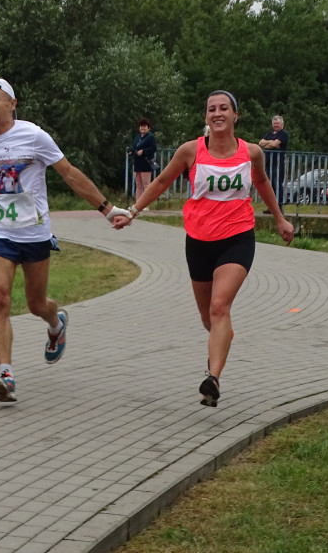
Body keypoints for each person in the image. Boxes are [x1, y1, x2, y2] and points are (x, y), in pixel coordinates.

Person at [0, 76, 129, 404]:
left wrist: (107, 209)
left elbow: (68, 172)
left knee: (37, 304)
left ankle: (56, 323)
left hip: (33, 231)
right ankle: (6, 375)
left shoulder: (34, 136)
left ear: (12, 104)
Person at [114, 90, 294, 408]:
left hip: (237, 239)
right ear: (206, 117)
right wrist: (133, 211)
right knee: (208, 316)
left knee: (219, 306)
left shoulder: (252, 153)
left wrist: (280, 219)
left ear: (235, 115)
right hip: (198, 240)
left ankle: (212, 379)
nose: (218, 113)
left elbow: (263, 183)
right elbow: (160, 182)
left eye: (224, 108)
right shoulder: (190, 151)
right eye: (212, 109)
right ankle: (221, 337)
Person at [258, 115, 289, 210]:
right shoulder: (269, 134)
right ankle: (271, 207)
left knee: (277, 184)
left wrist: (269, 143)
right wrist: (271, 143)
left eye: (278, 123)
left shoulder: (283, 134)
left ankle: (279, 207)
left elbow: (274, 144)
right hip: (268, 164)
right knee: (269, 186)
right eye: (274, 123)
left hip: (278, 164)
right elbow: (260, 143)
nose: (276, 125)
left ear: (282, 124)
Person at [127, 117, 157, 210]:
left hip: (146, 164)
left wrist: (143, 151)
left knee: (146, 185)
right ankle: (137, 205)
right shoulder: (137, 137)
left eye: (144, 127)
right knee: (138, 185)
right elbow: (133, 146)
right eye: (141, 126)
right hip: (137, 163)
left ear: (148, 128)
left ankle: (145, 205)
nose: (142, 128)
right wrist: (130, 150)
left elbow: (154, 148)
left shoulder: (150, 137)